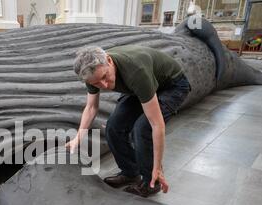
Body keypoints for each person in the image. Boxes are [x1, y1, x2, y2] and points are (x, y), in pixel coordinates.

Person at [66, 45, 191, 197]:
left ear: (109, 61)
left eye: (105, 77)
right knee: (114, 127)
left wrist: (157, 167)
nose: (104, 85)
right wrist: (77, 138)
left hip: (172, 86)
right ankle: (130, 172)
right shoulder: (90, 73)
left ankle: (152, 182)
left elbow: (156, 124)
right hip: (140, 87)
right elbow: (92, 107)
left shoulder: (135, 70)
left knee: (142, 128)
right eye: (97, 83)